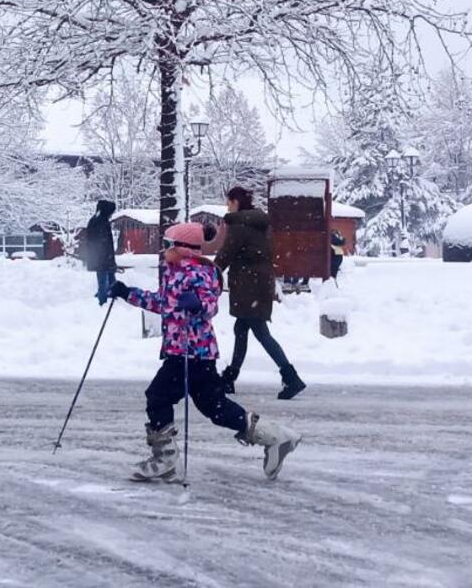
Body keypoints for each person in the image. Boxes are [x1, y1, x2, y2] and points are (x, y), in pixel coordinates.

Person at [108, 222, 301, 482]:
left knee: (157, 396)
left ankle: (164, 457)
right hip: (192, 353)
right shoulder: (174, 272)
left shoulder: (199, 272)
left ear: (184, 248)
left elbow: (210, 305)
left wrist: (199, 305)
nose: (163, 250)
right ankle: (276, 437)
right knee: (216, 408)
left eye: (167, 245)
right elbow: (164, 304)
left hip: (190, 353)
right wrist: (128, 293)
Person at [214, 186, 307, 400]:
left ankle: (291, 377)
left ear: (235, 202)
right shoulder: (260, 224)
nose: (227, 206)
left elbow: (226, 254)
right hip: (259, 282)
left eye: (228, 202)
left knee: (260, 331)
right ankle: (229, 378)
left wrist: (210, 270)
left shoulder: (239, 225)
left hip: (249, 284)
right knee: (242, 329)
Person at [82, 200, 117, 305]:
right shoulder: (101, 222)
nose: (111, 215)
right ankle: (103, 302)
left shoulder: (97, 220)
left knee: (109, 280)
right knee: (104, 281)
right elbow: (103, 243)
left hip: (101, 258)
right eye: (111, 212)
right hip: (102, 258)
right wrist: (108, 259)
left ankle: (110, 298)